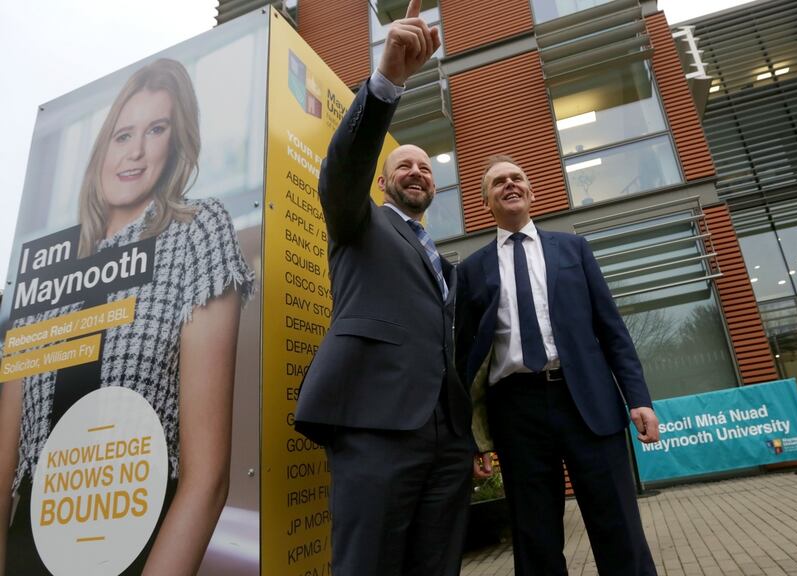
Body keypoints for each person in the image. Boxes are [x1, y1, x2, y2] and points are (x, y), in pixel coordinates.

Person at [0, 58, 254, 575]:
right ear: (103, 148)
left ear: (176, 143)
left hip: (142, 548)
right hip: (28, 550)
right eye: (123, 134)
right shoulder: (48, 267)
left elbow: (207, 479)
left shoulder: (196, 233)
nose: (135, 151)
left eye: (156, 129)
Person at [292, 2, 473, 574]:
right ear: (382, 180)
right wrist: (387, 83)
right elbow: (342, 170)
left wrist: (466, 436)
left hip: (445, 437)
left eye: (426, 168)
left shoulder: (441, 262)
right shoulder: (359, 221)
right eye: (404, 166)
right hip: (375, 426)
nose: (417, 171)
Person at [456, 156, 660, 576]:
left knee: (618, 525)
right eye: (498, 182)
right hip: (516, 410)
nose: (510, 184)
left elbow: (612, 329)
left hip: (587, 400)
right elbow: (467, 359)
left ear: (531, 192)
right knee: (535, 537)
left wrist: (638, 398)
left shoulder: (573, 249)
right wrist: (473, 438)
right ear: (485, 202)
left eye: (517, 178)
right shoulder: (470, 270)